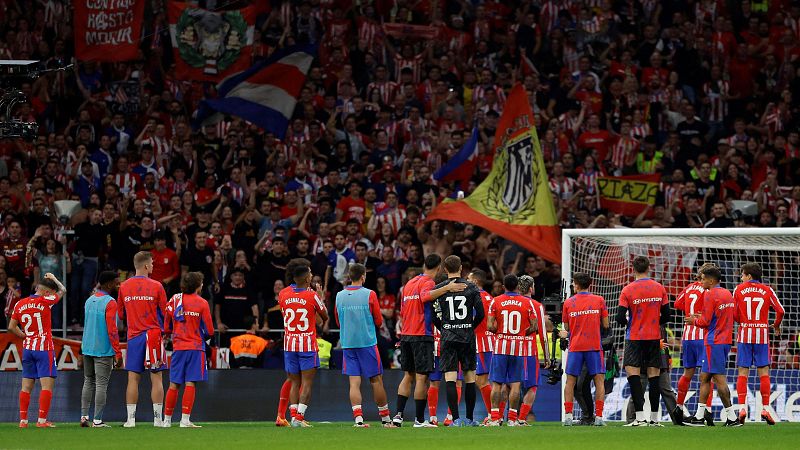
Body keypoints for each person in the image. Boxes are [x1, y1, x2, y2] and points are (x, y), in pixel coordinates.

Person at [391, 253, 466, 427]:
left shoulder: (409, 283)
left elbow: (403, 310)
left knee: (407, 376)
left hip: (406, 334)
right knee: (421, 378)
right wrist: (447, 288)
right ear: (439, 268)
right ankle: (419, 420)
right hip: (421, 335)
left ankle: (398, 416)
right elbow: (425, 297)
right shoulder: (428, 282)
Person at [335, 263, 393, 428]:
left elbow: (338, 321)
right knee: (376, 380)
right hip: (367, 343)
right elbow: (379, 320)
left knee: (354, 382)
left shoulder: (339, 295)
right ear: (363, 276)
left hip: (348, 343)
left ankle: (358, 420)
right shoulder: (370, 294)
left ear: (349, 277)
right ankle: (385, 420)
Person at [616, 256, 670, 427]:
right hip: (654, 337)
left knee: (634, 377)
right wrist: (654, 324)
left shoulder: (627, 290)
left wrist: (630, 324)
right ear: (648, 268)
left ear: (633, 269)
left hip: (634, 337)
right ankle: (654, 419)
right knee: (654, 377)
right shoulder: (659, 288)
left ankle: (639, 418)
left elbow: (619, 317)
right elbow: (667, 315)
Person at [685, 265, 741, 427]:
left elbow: (705, 322)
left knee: (719, 379)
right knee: (705, 377)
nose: (700, 282)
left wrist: (694, 321)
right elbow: (720, 316)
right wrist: (702, 317)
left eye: (703, 279)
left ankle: (732, 418)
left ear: (711, 280)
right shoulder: (726, 293)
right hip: (724, 340)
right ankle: (699, 416)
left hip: (713, 342)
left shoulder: (709, 294)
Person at [431, 255, 484, 426]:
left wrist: (445, 329)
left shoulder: (439, 289)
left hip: (448, 337)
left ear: (445, 269)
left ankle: (455, 419)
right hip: (467, 337)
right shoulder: (471, 287)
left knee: (450, 378)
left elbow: (434, 316)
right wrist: (470, 327)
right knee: (469, 378)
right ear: (461, 268)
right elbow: (481, 313)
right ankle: (470, 419)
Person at [118, 251, 169, 428]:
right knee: (157, 378)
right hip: (153, 336)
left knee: (133, 379)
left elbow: (120, 314)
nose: (153, 266)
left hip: (134, 337)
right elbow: (165, 312)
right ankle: (158, 420)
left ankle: (130, 420)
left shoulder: (124, 286)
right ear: (146, 266)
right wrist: (165, 331)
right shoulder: (157, 286)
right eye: (152, 264)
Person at [8, 273, 65, 428]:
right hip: (44, 348)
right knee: (46, 386)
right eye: (50, 292)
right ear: (46, 292)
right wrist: (54, 278)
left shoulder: (20, 304)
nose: (52, 295)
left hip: (27, 349)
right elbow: (63, 290)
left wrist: (24, 335)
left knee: (26, 387)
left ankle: (23, 421)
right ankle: (41, 421)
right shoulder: (45, 301)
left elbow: (11, 327)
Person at [733, 262, 784, 425]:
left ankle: (742, 408)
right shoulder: (768, 290)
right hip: (762, 334)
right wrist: (776, 325)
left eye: (742, 275)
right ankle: (766, 409)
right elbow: (781, 311)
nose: (741, 278)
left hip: (744, 334)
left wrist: (743, 321)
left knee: (743, 372)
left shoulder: (738, 289)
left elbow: (734, 314)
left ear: (749, 276)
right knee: (764, 373)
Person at [278, 265, 328, 427]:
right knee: (306, 383)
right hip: (307, 344)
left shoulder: (283, 294)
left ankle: (293, 418)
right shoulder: (312, 295)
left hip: (289, 344)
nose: (312, 275)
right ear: (307, 278)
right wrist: (320, 298)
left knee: (294, 382)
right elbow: (324, 317)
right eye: (310, 274)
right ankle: (299, 418)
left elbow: (284, 314)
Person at [162, 272, 214, 428]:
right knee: (190, 382)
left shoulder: (174, 299)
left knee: (174, 384)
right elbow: (210, 330)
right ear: (198, 285)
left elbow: (166, 326)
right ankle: (185, 420)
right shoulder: (202, 303)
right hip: (196, 348)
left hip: (178, 347)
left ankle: (166, 421)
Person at [486, 274, 536, 426]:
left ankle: (495, 418)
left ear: (503, 287)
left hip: (500, 347)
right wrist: (521, 334)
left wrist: (500, 333)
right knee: (515, 385)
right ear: (517, 286)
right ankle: (513, 419)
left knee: (497, 384)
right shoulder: (527, 302)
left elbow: (489, 326)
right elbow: (534, 326)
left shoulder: (496, 301)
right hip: (518, 348)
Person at [561, 272, 608, 427]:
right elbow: (606, 325)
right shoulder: (599, 300)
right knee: (599, 381)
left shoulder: (568, 303)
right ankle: (599, 417)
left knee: (570, 381)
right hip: (594, 346)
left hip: (575, 347)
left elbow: (566, 328)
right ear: (590, 284)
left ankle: (568, 417)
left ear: (576, 285)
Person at [674, 263, 716, 424]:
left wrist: (689, 311)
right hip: (702, 335)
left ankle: (679, 407)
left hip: (687, 336)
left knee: (687, 374)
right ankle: (706, 411)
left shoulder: (689, 288)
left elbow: (677, 304)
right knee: (707, 376)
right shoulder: (708, 290)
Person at [80, 271, 122, 428]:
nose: (118, 285)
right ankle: (97, 420)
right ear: (109, 284)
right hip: (103, 349)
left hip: (87, 347)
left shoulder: (89, 300)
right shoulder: (110, 302)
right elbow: (112, 330)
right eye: (116, 282)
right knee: (101, 384)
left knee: (88, 381)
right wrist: (118, 352)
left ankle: (84, 417)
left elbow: (87, 325)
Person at [273, 258, 312, 426]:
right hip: (304, 340)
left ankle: (282, 416)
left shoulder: (283, 293)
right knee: (300, 380)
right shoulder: (308, 293)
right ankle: (295, 417)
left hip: (289, 340)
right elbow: (317, 319)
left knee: (291, 379)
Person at [516, 274, 550, 426]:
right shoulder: (536, 306)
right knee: (532, 386)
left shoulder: (511, 303)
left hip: (511, 349)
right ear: (531, 288)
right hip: (529, 351)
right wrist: (547, 357)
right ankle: (521, 418)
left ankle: (504, 418)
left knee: (510, 385)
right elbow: (542, 334)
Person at [467, 268, 495, 421]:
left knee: (482, 381)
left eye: (469, 279)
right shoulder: (490, 298)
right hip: (491, 341)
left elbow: (471, 320)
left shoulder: (475, 297)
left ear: (475, 281)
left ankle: (493, 415)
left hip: (482, 342)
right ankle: (495, 414)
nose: (466, 281)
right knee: (489, 381)